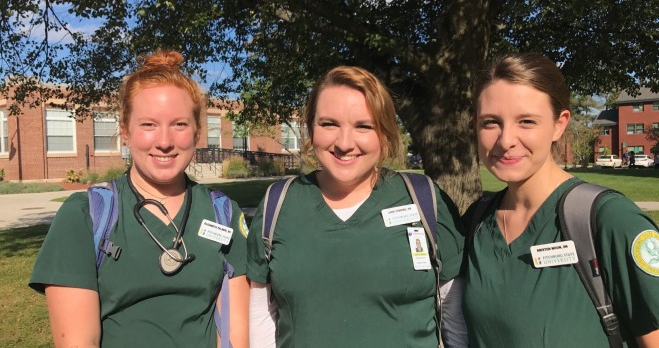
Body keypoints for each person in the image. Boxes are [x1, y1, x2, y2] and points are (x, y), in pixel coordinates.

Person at [29, 50, 249, 348]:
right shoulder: (85, 217)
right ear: (125, 132)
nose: (164, 141)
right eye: (148, 124)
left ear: (197, 133)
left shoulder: (222, 212)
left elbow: (235, 338)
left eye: (180, 124)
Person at [247, 66, 467, 347]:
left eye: (363, 126)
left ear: (385, 133)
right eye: (329, 124)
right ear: (311, 129)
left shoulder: (424, 200)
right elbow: (262, 315)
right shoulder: (278, 205)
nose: (344, 143)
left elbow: (453, 317)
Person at [462, 53, 659, 347]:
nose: (505, 140)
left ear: (559, 124)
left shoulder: (610, 220)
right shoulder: (476, 222)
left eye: (526, 121)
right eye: (491, 122)